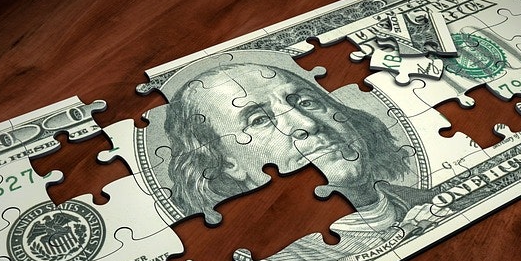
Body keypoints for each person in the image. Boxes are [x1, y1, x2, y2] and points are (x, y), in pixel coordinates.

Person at [160, 51, 414, 221]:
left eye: (306, 102)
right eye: (259, 120)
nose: (306, 124)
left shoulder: (428, 200)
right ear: (227, 162)